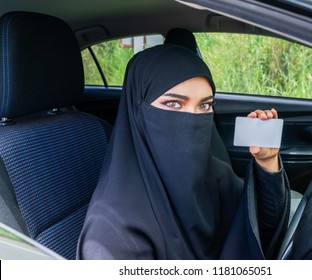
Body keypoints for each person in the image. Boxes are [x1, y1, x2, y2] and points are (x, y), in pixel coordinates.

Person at [77, 44, 290, 260]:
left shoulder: (215, 174)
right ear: (138, 109)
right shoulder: (112, 232)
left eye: (204, 106)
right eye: (174, 103)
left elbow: (261, 223)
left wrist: (267, 160)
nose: (192, 119)